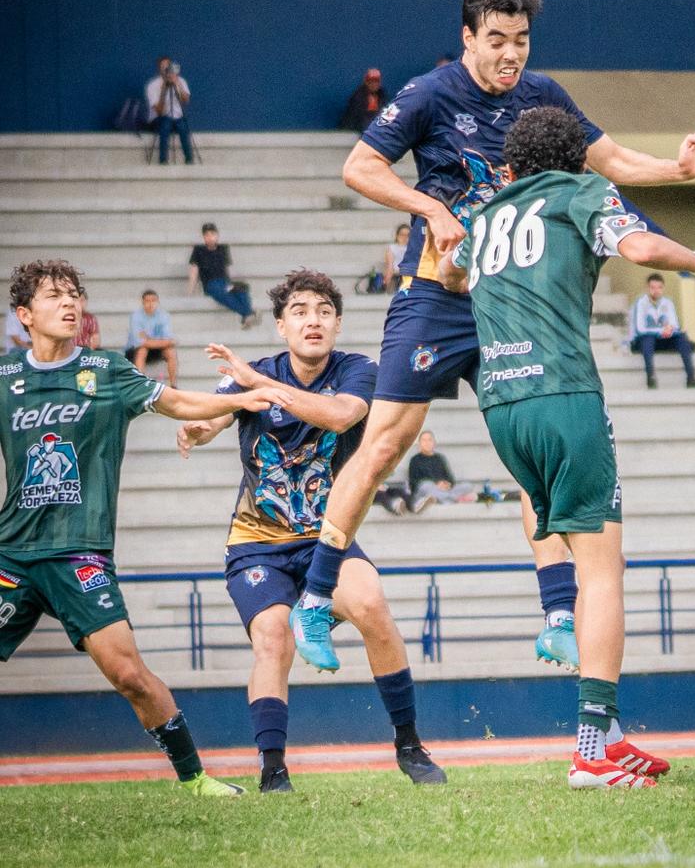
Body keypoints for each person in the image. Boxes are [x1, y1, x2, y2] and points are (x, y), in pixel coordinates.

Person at [289, 0, 695, 679]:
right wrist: (428, 208)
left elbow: (611, 161)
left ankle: (557, 616)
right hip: (435, 296)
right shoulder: (431, 93)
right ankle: (315, 599)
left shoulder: (543, 94)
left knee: (534, 452)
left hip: (508, 297)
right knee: (384, 445)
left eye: (521, 41)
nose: (510, 54)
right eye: (496, 40)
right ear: (468, 38)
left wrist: (679, 168)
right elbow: (359, 167)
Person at [438, 106, 695, 788]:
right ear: (579, 160)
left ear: (510, 167)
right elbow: (642, 250)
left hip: (502, 405)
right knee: (604, 571)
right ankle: (590, 749)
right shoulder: (581, 191)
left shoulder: (484, 216)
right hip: (564, 395)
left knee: (588, 556)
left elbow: (450, 274)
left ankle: (611, 734)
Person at [0, 258, 292, 796]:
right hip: (10, 555)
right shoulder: (5, 378)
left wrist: (239, 400)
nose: (69, 303)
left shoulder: (106, 371)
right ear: (25, 314)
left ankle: (196, 779)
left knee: (130, 676)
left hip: (79, 554)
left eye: (73, 294)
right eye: (53, 296)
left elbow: (175, 401)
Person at [176, 269, 445, 791]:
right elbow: (216, 414)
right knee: (273, 639)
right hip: (257, 543)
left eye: (323, 311)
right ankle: (273, 769)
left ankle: (409, 745)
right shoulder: (255, 373)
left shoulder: (358, 371)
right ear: (281, 326)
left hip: (328, 537)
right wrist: (200, 427)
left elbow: (341, 417)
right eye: (299, 311)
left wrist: (262, 388)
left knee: (371, 604)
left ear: (338, 324)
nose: (312, 320)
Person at [628, 273, 695, 389]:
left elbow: (675, 325)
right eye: (653, 287)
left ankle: (691, 378)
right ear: (647, 288)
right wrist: (661, 331)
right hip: (643, 342)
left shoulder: (668, 302)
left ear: (663, 288)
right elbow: (640, 329)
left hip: (662, 340)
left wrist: (669, 330)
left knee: (681, 337)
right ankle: (651, 378)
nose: (656, 291)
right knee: (648, 339)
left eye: (659, 287)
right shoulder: (640, 303)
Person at [188, 222, 258, 329]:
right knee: (220, 291)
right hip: (211, 284)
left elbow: (227, 269)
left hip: (224, 282)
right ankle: (249, 313)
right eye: (207, 235)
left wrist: (231, 284)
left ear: (217, 235)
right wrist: (190, 291)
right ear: (203, 237)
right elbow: (194, 271)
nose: (210, 237)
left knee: (241, 288)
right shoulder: (199, 250)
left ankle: (247, 316)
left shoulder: (223, 248)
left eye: (212, 234)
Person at [145, 56, 193, 165]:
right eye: (163, 67)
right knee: (165, 124)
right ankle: (163, 160)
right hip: (159, 117)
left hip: (177, 117)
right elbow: (159, 111)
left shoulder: (180, 81)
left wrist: (177, 84)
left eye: (168, 67)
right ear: (159, 69)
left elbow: (186, 101)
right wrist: (164, 89)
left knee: (183, 127)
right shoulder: (153, 85)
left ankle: (189, 159)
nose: (166, 70)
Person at [125, 289, 178, 388]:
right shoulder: (136, 317)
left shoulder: (164, 316)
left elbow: (168, 339)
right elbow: (140, 342)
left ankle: (173, 385)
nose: (150, 304)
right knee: (142, 350)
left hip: (155, 348)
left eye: (153, 301)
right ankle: (140, 385)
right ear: (143, 302)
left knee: (171, 351)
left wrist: (149, 340)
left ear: (158, 302)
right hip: (134, 350)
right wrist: (160, 341)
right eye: (147, 301)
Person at [408, 430, 476, 504]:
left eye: (429, 440)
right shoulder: (415, 460)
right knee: (426, 485)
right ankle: (454, 499)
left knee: (467, 486)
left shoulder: (440, 458)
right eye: (424, 440)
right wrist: (436, 484)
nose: (427, 443)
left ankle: (445, 499)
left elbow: (450, 478)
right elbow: (414, 483)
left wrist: (447, 484)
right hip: (426, 491)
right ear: (420, 444)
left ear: (434, 443)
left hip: (442, 490)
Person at [340, 68, 387, 134]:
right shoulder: (358, 96)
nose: (373, 84)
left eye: (376, 82)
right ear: (366, 82)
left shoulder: (382, 95)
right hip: (361, 128)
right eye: (370, 81)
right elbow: (355, 117)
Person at [383, 224, 410, 293]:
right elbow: (390, 265)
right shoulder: (392, 248)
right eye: (402, 235)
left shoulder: (412, 248)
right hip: (395, 274)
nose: (404, 238)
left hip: (408, 275)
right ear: (397, 236)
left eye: (407, 235)